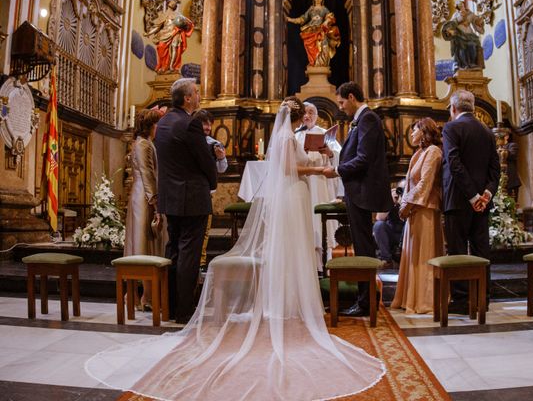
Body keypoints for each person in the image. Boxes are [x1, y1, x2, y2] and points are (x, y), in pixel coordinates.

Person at [85, 97, 385, 400]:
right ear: (298, 118)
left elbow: (294, 162)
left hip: (296, 194)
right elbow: (287, 167)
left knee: (298, 249)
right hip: (294, 195)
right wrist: (318, 171)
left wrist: (314, 157)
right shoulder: (285, 137)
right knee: (292, 248)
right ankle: (287, 299)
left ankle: (292, 297)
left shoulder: (290, 137)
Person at [324, 82, 393, 316]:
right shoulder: (361, 121)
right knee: (362, 245)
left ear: (352, 97)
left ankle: (365, 303)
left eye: (342, 102)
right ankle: (365, 299)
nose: (341, 108)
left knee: (363, 248)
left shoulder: (368, 119)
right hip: (358, 191)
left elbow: (363, 158)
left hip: (363, 192)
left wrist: (337, 170)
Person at [154, 78, 218, 323]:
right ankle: (184, 311)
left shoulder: (164, 123)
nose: (199, 96)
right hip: (192, 197)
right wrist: (212, 182)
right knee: (189, 254)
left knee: (174, 252)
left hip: (171, 197)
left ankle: (170, 306)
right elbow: (205, 161)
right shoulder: (190, 124)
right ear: (187, 98)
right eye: (197, 93)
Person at [442, 90, 500, 314]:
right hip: (482, 203)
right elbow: (495, 169)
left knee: (456, 250)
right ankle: (482, 296)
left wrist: (472, 196)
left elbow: (454, 163)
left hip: (457, 199)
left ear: (454, 108)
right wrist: (486, 194)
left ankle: (461, 300)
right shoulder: (487, 131)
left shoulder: (451, 128)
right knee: (481, 250)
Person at [391, 118, 444, 314]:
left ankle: (426, 300)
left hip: (426, 209)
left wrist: (407, 205)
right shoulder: (418, 153)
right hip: (414, 209)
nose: (411, 134)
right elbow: (410, 184)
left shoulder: (433, 152)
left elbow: (425, 183)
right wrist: (404, 204)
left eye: (414, 131)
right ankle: (410, 297)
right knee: (413, 255)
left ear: (423, 132)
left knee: (424, 255)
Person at [124, 108, 165, 311]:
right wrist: (155, 202)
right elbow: (148, 174)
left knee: (145, 245)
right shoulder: (143, 144)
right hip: (144, 198)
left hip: (143, 196)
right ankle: (143, 296)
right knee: (143, 245)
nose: (159, 128)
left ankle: (138, 295)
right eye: (157, 124)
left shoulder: (146, 143)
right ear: (150, 126)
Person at [294, 102, 341, 271]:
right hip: (303, 182)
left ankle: (325, 263)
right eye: (305, 112)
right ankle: (306, 265)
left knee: (321, 220)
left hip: (321, 183)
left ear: (317, 116)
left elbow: (339, 157)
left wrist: (328, 152)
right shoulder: (295, 134)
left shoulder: (325, 134)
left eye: (311, 112)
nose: (307, 115)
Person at [192, 109, 228, 270]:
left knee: (205, 229)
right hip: (192, 188)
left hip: (207, 192)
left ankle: (201, 262)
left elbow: (222, 169)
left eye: (209, 126)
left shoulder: (214, 143)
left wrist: (221, 158)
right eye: (204, 125)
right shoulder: (189, 141)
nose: (207, 128)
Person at [286, 0, 340, 67]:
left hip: (320, 30)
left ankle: (322, 63)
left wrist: (326, 21)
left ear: (322, 0)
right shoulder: (311, 9)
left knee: (324, 45)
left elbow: (331, 17)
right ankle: (314, 63)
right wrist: (291, 20)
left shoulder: (324, 9)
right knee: (310, 46)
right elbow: (303, 19)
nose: (318, 0)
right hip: (310, 30)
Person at [145, 0, 194, 73]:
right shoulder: (164, 15)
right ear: (168, 4)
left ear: (175, 7)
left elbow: (188, 22)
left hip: (175, 33)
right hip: (164, 34)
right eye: (172, 2)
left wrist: (185, 25)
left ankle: (172, 66)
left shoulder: (178, 14)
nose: (173, 3)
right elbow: (157, 27)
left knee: (175, 48)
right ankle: (164, 65)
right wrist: (148, 33)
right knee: (161, 47)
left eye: (174, 3)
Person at [442, 1, 485, 70]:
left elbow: (476, 21)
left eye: (462, 5)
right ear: (457, 7)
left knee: (473, 45)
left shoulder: (470, 14)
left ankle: (472, 64)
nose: (461, 7)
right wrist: (460, 18)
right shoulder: (456, 15)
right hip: (459, 34)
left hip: (469, 33)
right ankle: (462, 65)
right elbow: (451, 25)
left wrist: (479, 22)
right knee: (462, 49)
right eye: (459, 6)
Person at [373, 182, 406, 269]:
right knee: (378, 225)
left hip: (406, 234)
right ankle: (387, 260)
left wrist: (404, 203)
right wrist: (390, 201)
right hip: (391, 233)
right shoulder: (390, 199)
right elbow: (379, 218)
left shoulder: (410, 198)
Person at [505, 131, 521, 201]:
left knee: (512, 205)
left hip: (511, 182)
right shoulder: (496, 147)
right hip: (501, 181)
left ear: (507, 136)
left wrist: (501, 150)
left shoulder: (512, 145)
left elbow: (512, 155)